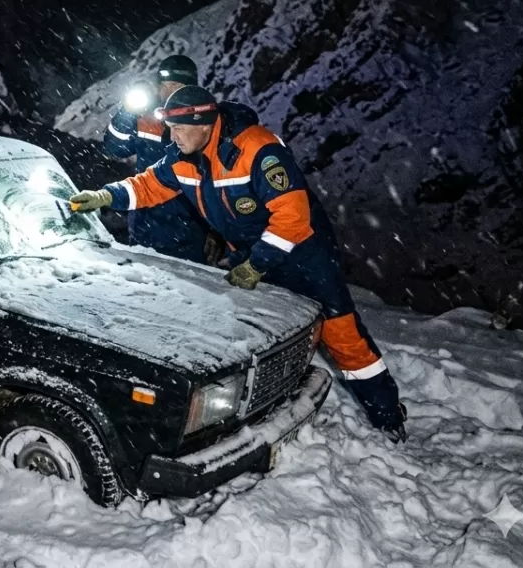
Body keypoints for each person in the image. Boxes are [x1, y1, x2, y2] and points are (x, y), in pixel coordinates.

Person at [72, 85, 408, 442]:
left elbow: (293, 218)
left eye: (179, 127)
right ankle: (259, 407)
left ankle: (387, 416)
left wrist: (256, 266)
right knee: (258, 336)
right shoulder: (182, 156)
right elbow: (149, 185)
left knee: (343, 337)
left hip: (304, 255)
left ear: (203, 123)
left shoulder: (258, 150)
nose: (172, 135)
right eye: (169, 127)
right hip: (250, 255)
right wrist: (106, 195)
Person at [101, 55, 212, 264]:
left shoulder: (203, 124)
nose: (169, 92)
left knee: (190, 292)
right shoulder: (146, 119)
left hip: (189, 233)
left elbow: (216, 182)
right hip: (144, 227)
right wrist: (127, 112)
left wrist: (216, 230)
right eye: (164, 86)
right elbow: (113, 148)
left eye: (176, 86)